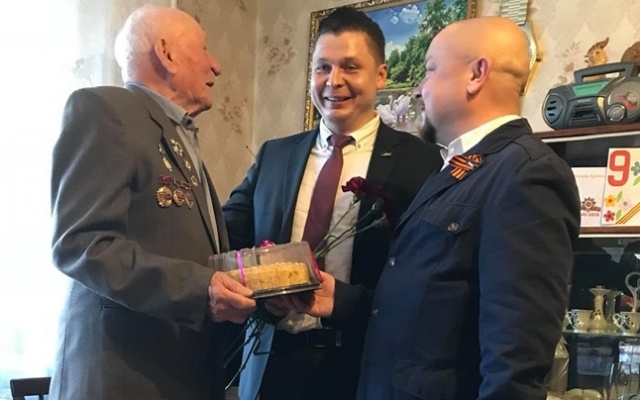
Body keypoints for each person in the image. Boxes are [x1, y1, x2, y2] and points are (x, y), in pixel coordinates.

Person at [280, 16, 581, 399]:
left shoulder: (526, 174)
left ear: (476, 74)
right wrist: (343, 301)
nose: (419, 89)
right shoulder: (460, 168)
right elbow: (433, 313)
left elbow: (515, 365)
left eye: (430, 70)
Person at [222, 6, 442, 400]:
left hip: (363, 365)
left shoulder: (421, 163)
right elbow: (226, 235)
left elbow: (428, 281)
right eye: (322, 67)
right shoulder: (275, 156)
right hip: (273, 363)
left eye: (350, 67)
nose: (333, 81)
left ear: (380, 75)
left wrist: (347, 303)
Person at [49, 5, 256, 400]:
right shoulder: (106, 111)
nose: (216, 66)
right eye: (204, 49)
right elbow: (82, 244)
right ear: (167, 53)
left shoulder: (176, 134)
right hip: (124, 381)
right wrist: (201, 288)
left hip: (182, 377)